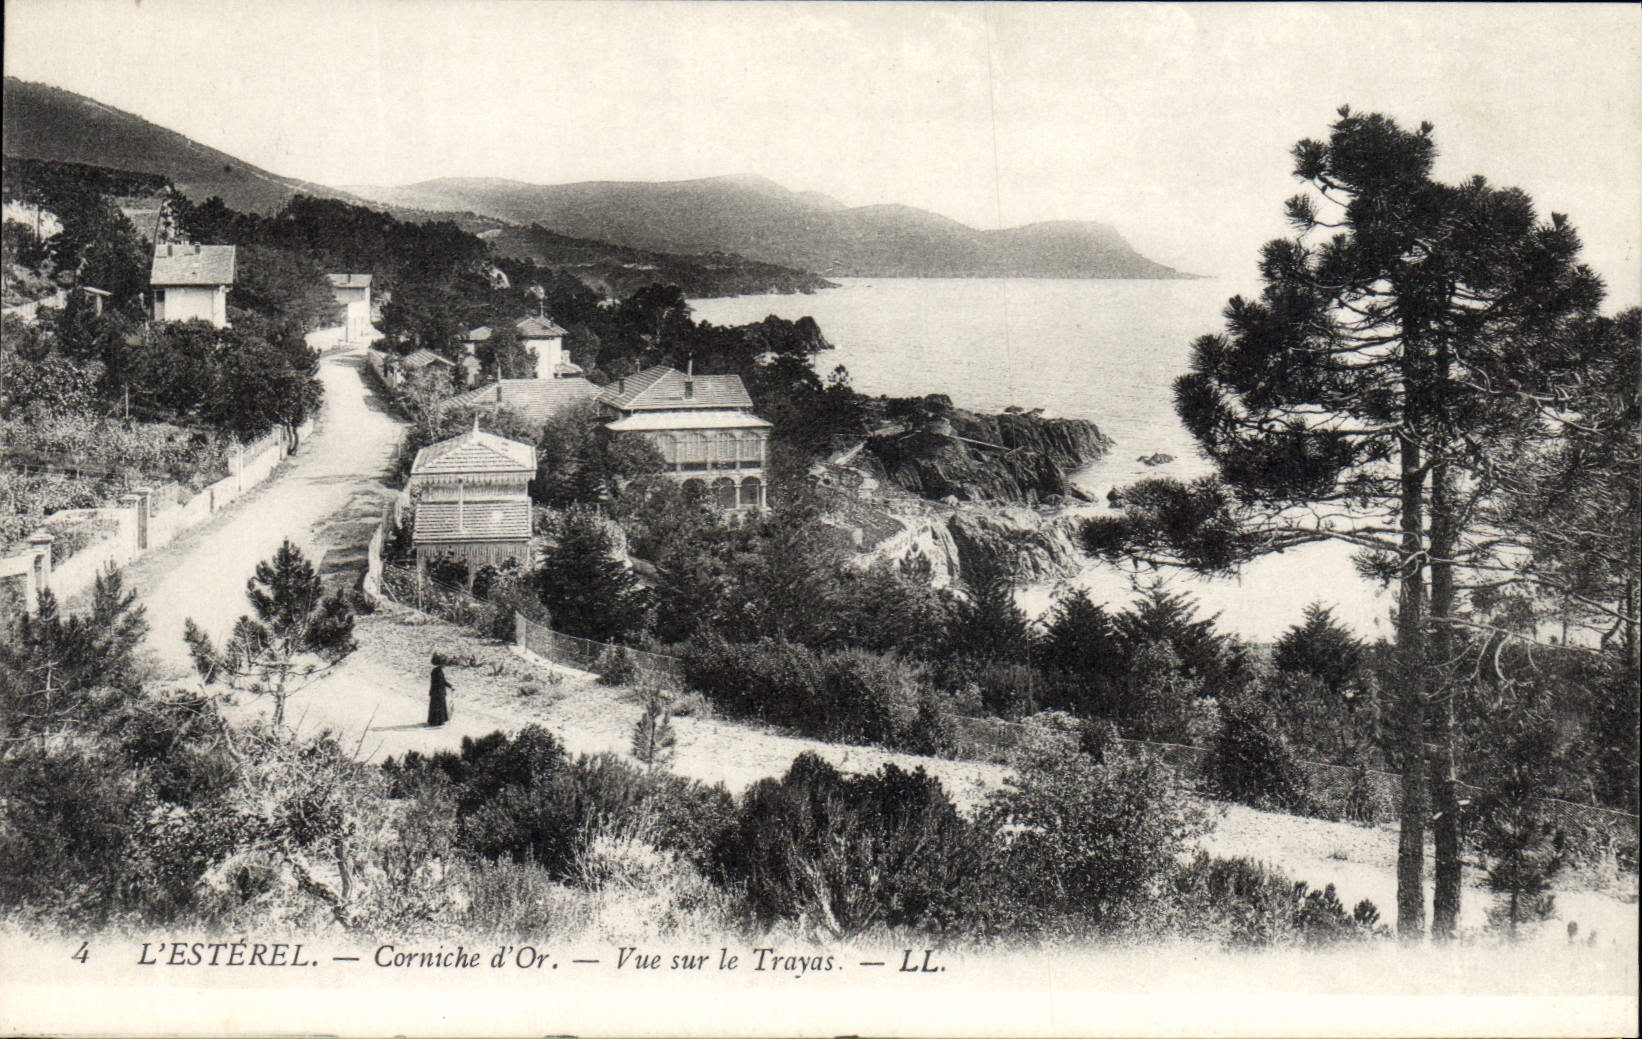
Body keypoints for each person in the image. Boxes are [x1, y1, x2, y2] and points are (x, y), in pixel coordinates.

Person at [427, 662, 453, 726]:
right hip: (437, 692)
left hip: (438, 692)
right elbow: (438, 682)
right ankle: (437, 722)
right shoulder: (436, 672)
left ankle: (438, 721)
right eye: (443, 664)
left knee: (439, 707)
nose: (444, 665)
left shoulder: (439, 671)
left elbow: (443, 681)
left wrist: (450, 686)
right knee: (438, 707)